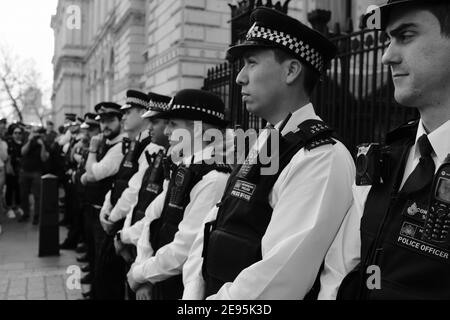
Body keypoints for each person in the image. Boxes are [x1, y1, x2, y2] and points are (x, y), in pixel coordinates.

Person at [180, 8, 355, 300]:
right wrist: (193, 295)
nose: (239, 78)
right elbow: (215, 223)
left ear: (291, 71)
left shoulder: (320, 157)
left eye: (251, 63)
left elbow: (278, 278)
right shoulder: (265, 142)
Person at [318, 0, 450, 300]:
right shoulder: (387, 157)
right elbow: (341, 269)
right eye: (387, 40)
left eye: (405, 36)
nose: (386, 57)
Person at [126, 89, 232, 300]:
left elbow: (183, 250)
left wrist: (140, 274)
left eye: (173, 124)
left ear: (199, 129)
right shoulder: (183, 168)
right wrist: (144, 272)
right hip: (159, 280)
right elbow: (152, 220)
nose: (166, 131)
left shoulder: (213, 178)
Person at [94, 90, 165, 300]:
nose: (123, 116)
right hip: (126, 228)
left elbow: (137, 195)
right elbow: (123, 183)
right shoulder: (135, 143)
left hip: (135, 232)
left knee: (115, 283)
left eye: (128, 112)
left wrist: (115, 223)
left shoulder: (151, 147)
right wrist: (108, 213)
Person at [80, 102, 126, 299]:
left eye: (110, 121)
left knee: (104, 268)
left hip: (107, 215)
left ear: (120, 121)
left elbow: (93, 174)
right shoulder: (105, 143)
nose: (105, 126)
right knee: (95, 260)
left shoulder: (119, 146)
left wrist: (91, 151)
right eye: (102, 122)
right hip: (95, 207)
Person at [18, 127, 49, 225]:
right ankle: (25, 214)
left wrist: (42, 145)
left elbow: (44, 158)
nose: (36, 135)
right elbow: (23, 152)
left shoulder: (43, 143)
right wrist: (30, 140)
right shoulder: (28, 140)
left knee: (37, 195)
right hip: (25, 171)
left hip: (37, 172)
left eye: (38, 133)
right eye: (34, 132)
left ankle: (36, 216)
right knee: (23, 194)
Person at [5, 125, 24, 219]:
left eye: (19, 133)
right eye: (15, 133)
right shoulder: (9, 143)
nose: (17, 135)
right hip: (11, 169)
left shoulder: (23, 144)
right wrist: (9, 166)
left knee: (18, 188)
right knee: (10, 189)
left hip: (21, 170)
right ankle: (9, 208)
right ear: (12, 134)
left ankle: (17, 206)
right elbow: (8, 157)